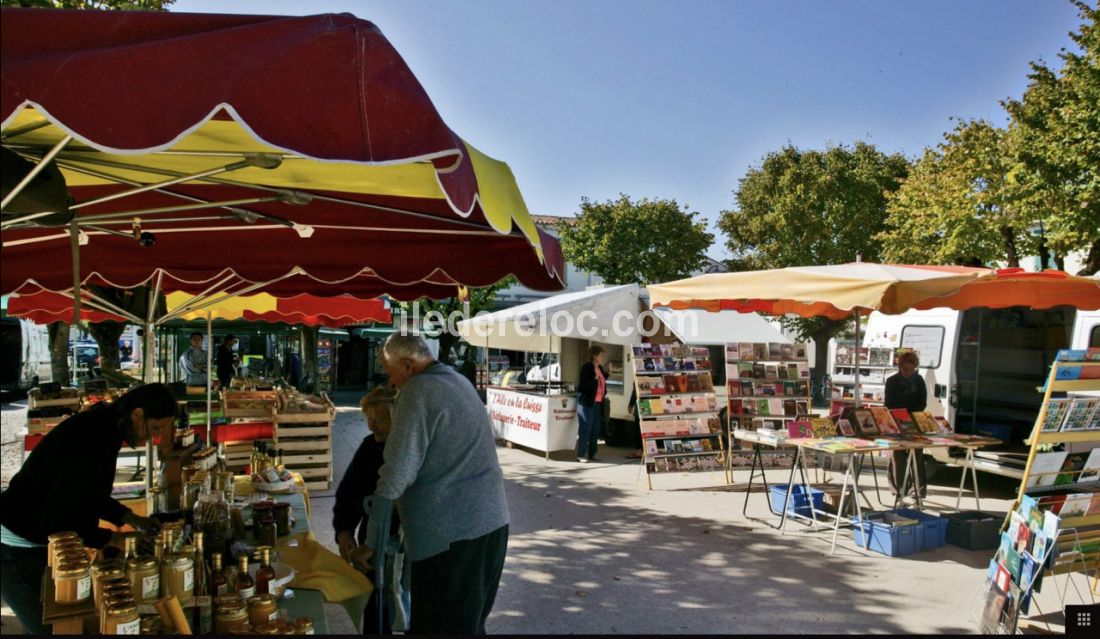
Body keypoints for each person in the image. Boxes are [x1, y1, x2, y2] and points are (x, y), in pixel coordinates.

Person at [0, 383, 175, 634]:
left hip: (37, 539)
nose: (154, 437)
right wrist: (113, 538)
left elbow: (89, 493)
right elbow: (61, 517)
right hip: (17, 545)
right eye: (155, 427)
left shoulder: (105, 427)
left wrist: (132, 518)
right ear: (137, 414)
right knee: (51, 629)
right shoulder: (95, 436)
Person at [371, 333, 508, 635]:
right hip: (490, 524)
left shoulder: (417, 390)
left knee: (439, 626)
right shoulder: (456, 379)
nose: (390, 381)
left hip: (452, 537)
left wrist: (374, 534)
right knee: (468, 625)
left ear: (407, 366)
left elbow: (398, 468)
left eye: (388, 369)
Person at [334, 386, 403, 633]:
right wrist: (343, 529)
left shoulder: (407, 451)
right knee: (375, 606)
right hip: (371, 543)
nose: (372, 427)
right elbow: (349, 491)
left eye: (380, 421)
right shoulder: (368, 446)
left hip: (405, 545)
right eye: (369, 420)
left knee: (403, 606)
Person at [886, 351, 928, 497]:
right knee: (898, 456)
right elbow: (889, 403)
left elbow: (922, 402)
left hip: (914, 421)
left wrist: (911, 414)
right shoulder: (892, 381)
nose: (908, 373)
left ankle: (918, 490)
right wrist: (899, 413)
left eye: (911, 370)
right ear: (899, 367)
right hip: (896, 421)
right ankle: (899, 489)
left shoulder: (919, 380)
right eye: (905, 369)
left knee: (917, 456)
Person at [575, 345, 608, 463]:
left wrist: (608, 373)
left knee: (595, 428)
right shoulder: (587, 367)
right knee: (585, 428)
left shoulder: (600, 368)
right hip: (587, 402)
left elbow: (601, 382)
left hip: (598, 402)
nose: (602, 357)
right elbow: (583, 385)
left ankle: (592, 454)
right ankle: (581, 454)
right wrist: (594, 378)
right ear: (594, 356)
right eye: (601, 355)